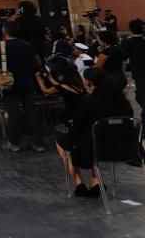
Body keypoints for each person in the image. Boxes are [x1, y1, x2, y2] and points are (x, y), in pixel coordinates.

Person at [56, 69, 133, 197]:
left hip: (94, 147)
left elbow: (77, 128)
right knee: (93, 138)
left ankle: (79, 183)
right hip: (118, 146)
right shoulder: (121, 101)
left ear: (89, 81)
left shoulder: (87, 102)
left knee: (62, 142)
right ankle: (95, 183)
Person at [0, 21, 43, 153]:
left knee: (13, 113)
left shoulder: (1, 46)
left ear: (5, 32)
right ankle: (38, 143)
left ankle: (13, 142)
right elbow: (38, 62)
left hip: (10, 83)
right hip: (27, 82)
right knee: (31, 113)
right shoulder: (27, 45)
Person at [122, 19, 145, 118]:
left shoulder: (126, 42)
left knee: (141, 94)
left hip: (137, 72)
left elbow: (125, 58)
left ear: (130, 29)